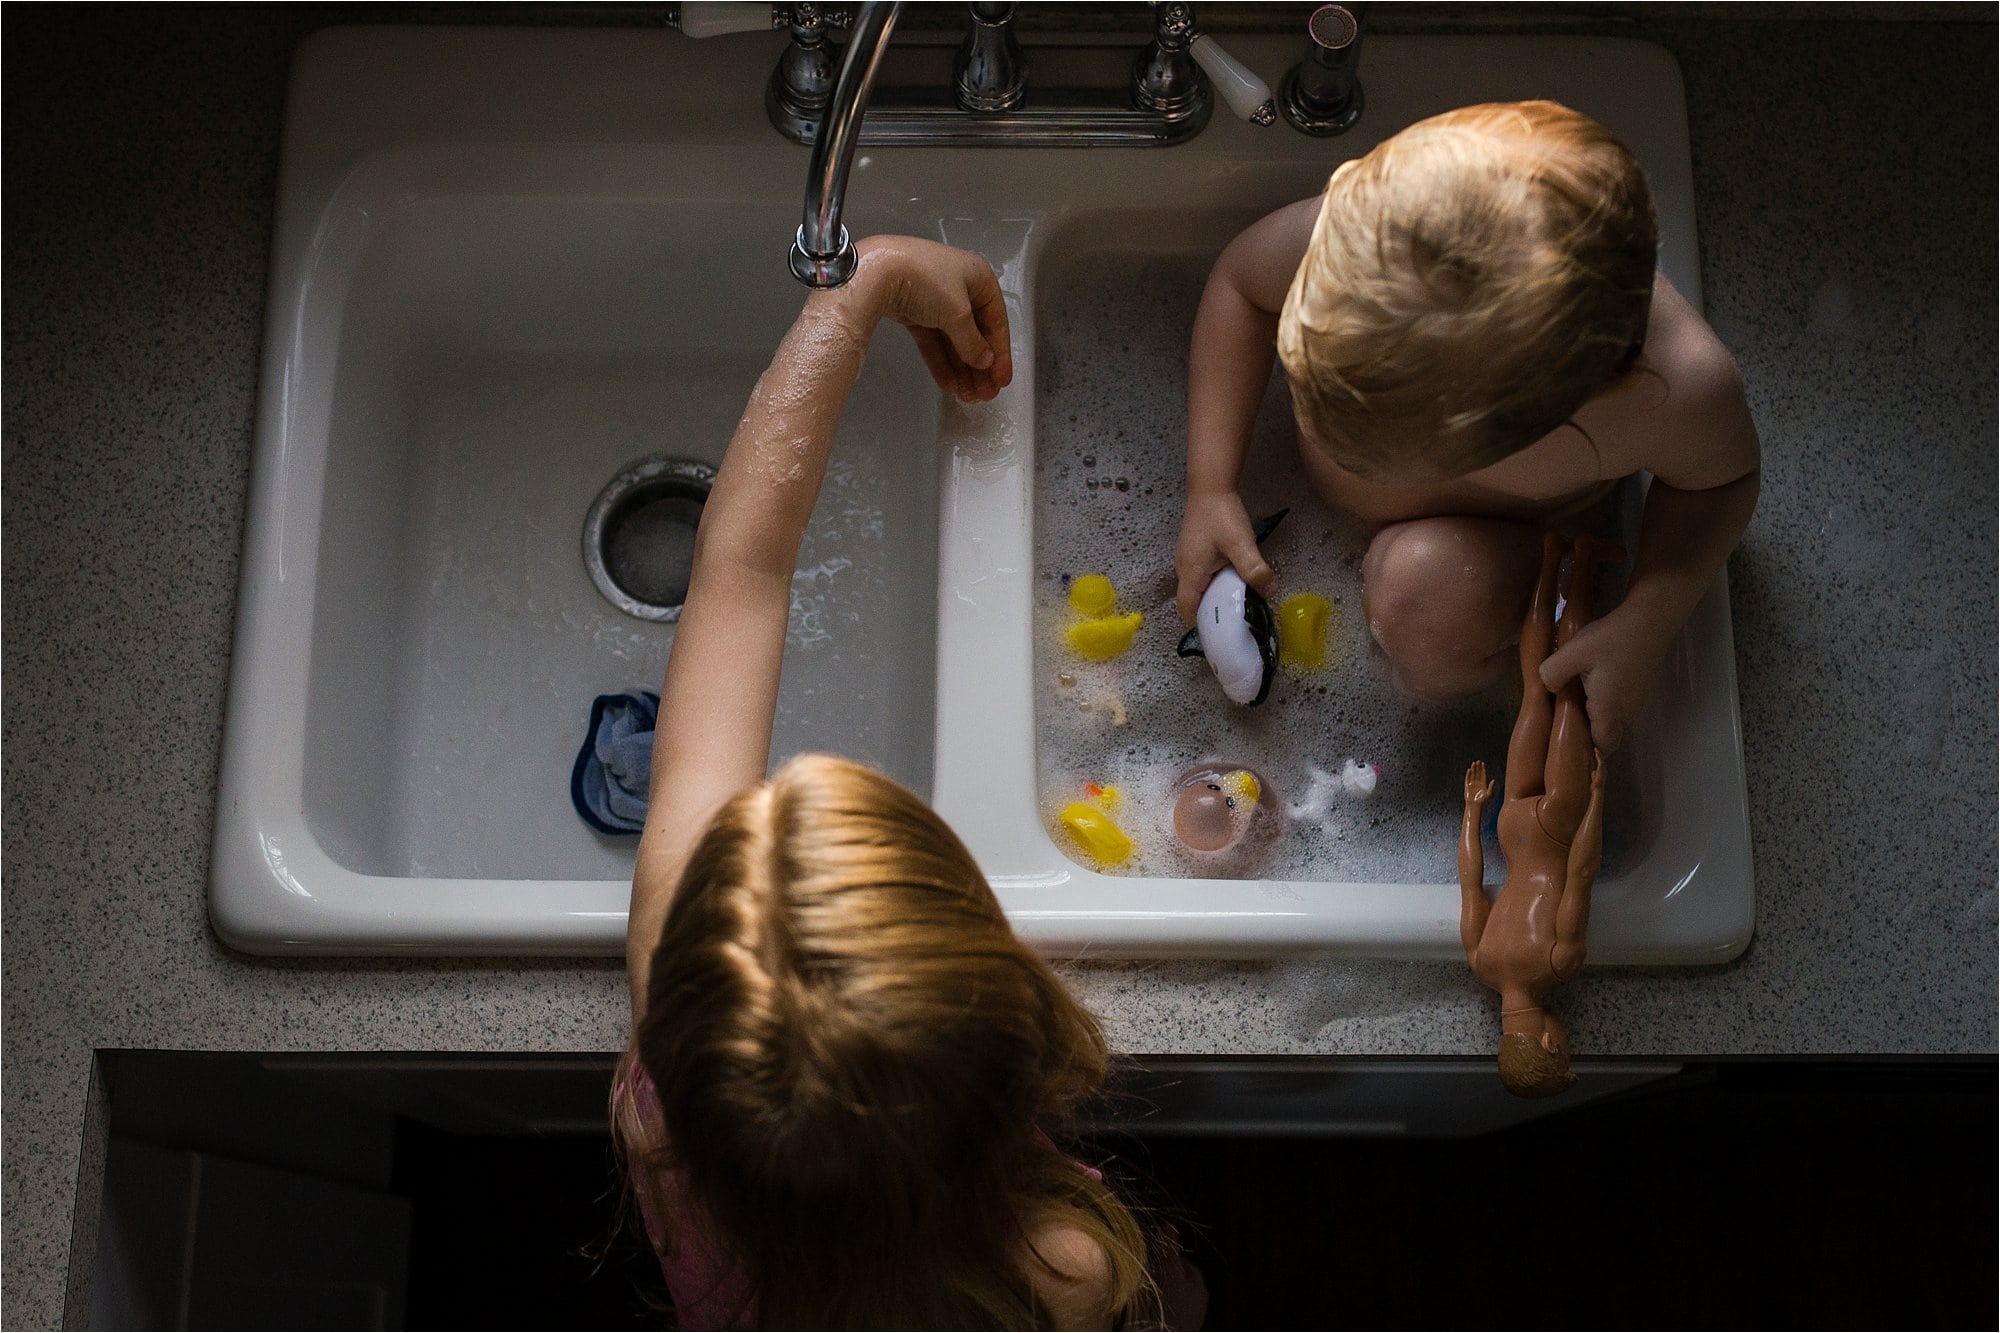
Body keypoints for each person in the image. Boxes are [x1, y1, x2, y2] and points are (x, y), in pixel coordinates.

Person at [607, 236, 1199, 1329]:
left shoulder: (679, 1094)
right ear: (1016, 1033)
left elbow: (742, 571)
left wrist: (853, 296)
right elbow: (743, 572)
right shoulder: (1059, 1270)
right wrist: (863, 288)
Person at [1173, 100, 1760, 751]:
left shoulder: (1670, 394)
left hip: (1499, 545)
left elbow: (1718, 485)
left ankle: (1549, 604)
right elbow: (1241, 284)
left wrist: (1646, 620)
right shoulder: (1375, 240)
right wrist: (1212, 484)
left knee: (1424, 602)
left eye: (1394, 450)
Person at [1457, 532, 1608, 1098]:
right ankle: (1550, 557)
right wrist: (1474, 813)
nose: (1566, 1038)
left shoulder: (1559, 964)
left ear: (1547, 1043)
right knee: (1532, 692)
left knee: (1567, 690)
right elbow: (1471, 881)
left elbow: (1581, 874)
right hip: (1510, 829)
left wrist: (1594, 801)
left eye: (1564, 1047)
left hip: (1555, 827)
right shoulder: (1481, 963)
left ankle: (1588, 559)